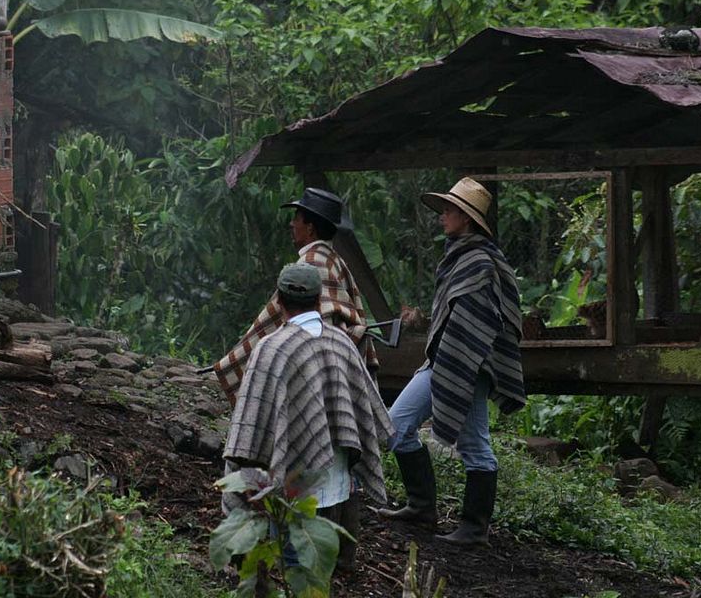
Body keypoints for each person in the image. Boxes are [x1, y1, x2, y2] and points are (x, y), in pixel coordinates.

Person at [376, 177, 525, 548]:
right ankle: (422, 506)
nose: (442, 216)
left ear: (467, 218)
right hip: (443, 360)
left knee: (474, 444)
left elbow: (482, 321)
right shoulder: (459, 254)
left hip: (468, 364)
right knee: (396, 426)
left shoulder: (480, 260)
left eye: (449, 210)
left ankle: (475, 528)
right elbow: (455, 314)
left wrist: (461, 359)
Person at [224, 262, 393, 571]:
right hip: (336, 492)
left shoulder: (271, 348)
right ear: (319, 300)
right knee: (316, 574)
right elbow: (363, 414)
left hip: (291, 490)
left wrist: (245, 477)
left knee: (295, 567)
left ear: (278, 301)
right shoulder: (343, 343)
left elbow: (249, 428)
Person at [213, 187, 377, 406]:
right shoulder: (331, 258)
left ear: (310, 229)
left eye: (296, 218)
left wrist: (232, 365)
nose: (291, 224)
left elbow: (313, 325)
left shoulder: (312, 263)